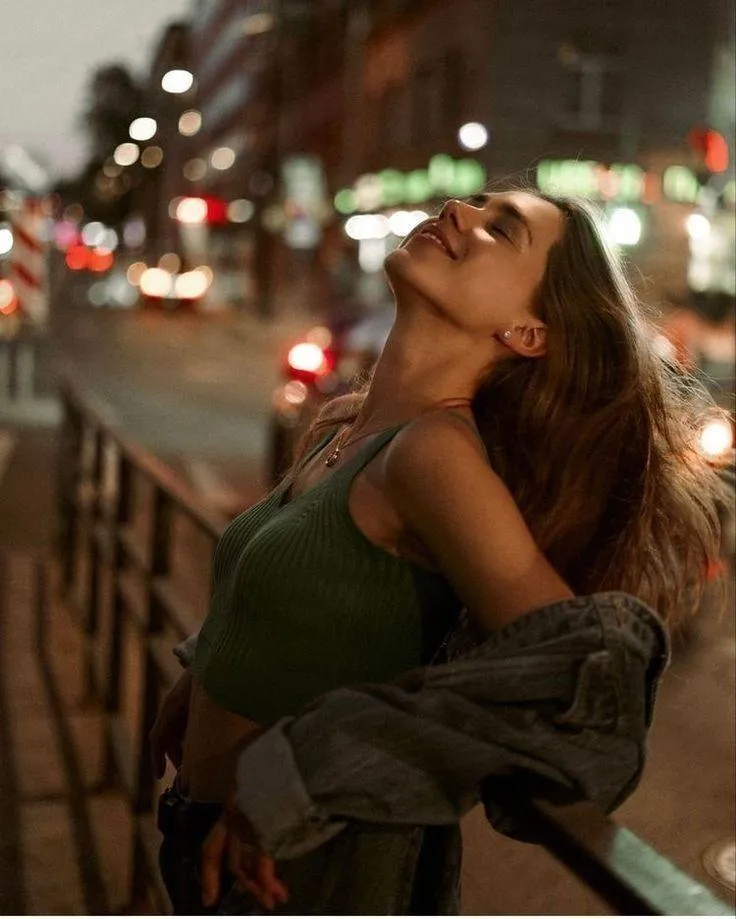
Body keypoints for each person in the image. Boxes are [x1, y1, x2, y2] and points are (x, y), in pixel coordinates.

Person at [151, 189, 724, 914]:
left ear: (527, 331)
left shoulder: (433, 457)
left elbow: (581, 682)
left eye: (501, 228)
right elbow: (303, 597)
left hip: (305, 869)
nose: (461, 210)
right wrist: (209, 672)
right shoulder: (343, 430)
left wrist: (310, 763)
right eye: (475, 202)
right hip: (205, 840)